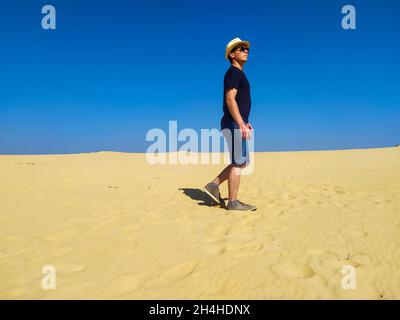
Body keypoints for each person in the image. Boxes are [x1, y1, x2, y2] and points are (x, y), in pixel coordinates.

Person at [204, 37, 256, 211]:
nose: (245, 50)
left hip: (236, 122)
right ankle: (232, 202)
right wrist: (240, 122)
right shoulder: (234, 72)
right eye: (241, 48)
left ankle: (214, 185)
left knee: (241, 161)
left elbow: (238, 101)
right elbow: (230, 98)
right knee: (239, 162)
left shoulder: (239, 73)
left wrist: (245, 122)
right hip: (234, 123)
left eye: (246, 48)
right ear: (232, 54)